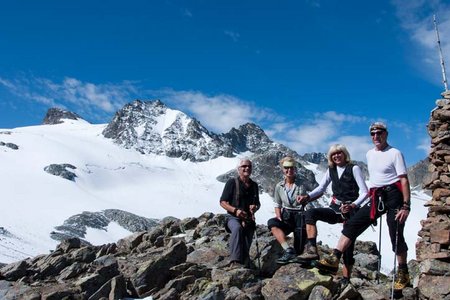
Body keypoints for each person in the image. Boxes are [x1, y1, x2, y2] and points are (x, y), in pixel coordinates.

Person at [316, 122, 411, 292]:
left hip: (394, 196)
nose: (376, 136)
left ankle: (403, 274)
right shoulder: (369, 154)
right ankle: (334, 257)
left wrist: (406, 205)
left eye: (379, 133)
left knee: (395, 234)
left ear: (386, 134)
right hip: (376, 196)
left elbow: (403, 179)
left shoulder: (395, 153)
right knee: (352, 224)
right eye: (373, 134)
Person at [296, 144, 368, 284]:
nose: (336, 156)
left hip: (351, 210)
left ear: (344, 154)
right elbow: (321, 188)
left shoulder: (354, 168)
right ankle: (312, 249)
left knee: (348, 243)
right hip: (335, 208)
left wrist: (353, 205)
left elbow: (365, 192)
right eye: (333, 154)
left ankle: (346, 279)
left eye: (339, 153)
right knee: (310, 213)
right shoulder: (331, 170)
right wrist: (307, 197)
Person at [220, 158, 260, 268]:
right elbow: (223, 202)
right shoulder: (232, 182)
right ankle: (235, 261)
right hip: (232, 217)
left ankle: (244, 259)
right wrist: (235, 211)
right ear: (238, 169)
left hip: (247, 218)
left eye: (249, 166)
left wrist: (255, 207)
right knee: (237, 229)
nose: (247, 168)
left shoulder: (254, 186)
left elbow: (258, 203)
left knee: (248, 232)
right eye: (244, 166)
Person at [267, 156, 307, 264]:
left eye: (291, 167)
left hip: (300, 217)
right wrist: (278, 215)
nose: (289, 170)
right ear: (282, 169)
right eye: (286, 167)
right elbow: (277, 203)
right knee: (272, 223)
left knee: (299, 251)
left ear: (295, 169)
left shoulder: (302, 184)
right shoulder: (279, 186)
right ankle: (288, 250)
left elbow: (307, 198)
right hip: (286, 216)